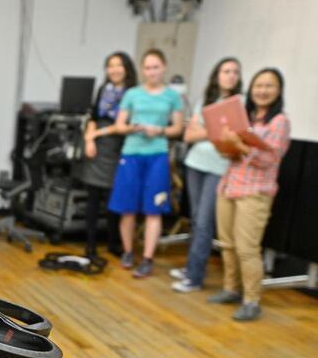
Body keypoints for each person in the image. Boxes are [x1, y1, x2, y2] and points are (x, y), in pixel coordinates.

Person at [207, 68, 290, 321]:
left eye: (269, 86)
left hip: (254, 192)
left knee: (247, 248)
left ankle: (252, 300)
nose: (262, 91)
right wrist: (225, 143)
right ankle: (231, 289)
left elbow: (270, 159)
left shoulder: (279, 122)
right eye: (258, 86)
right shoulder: (244, 118)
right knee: (227, 244)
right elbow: (229, 153)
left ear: (278, 91)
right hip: (229, 186)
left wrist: (240, 145)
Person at [110, 48, 184, 278]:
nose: (152, 71)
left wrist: (159, 129)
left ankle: (148, 258)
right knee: (128, 208)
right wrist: (135, 127)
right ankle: (129, 252)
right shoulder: (132, 94)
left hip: (157, 155)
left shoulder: (173, 96)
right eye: (148, 67)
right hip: (131, 153)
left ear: (164, 68)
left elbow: (178, 128)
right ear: (142, 70)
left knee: (154, 210)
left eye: (156, 67)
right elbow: (119, 125)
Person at [171, 57, 243, 292]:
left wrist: (205, 131)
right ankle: (191, 266)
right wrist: (215, 132)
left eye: (235, 72)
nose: (231, 75)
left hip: (219, 168)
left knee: (204, 222)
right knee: (195, 218)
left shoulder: (240, 104)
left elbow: (234, 139)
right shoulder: (207, 100)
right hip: (195, 163)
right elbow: (189, 136)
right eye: (226, 71)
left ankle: (194, 276)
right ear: (217, 75)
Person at [81, 51, 137, 258]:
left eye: (119, 65)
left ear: (127, 68)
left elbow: (125, 125)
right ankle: (90, 245)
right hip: (98, 145)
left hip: (120, 146)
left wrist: (96, 133)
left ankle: (114, 243)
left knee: (115, 199)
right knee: (93, 199)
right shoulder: (103, 89)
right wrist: (89, 139)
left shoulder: (133, 93)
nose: (114, 70)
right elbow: (94, 116)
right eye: (110, 65)